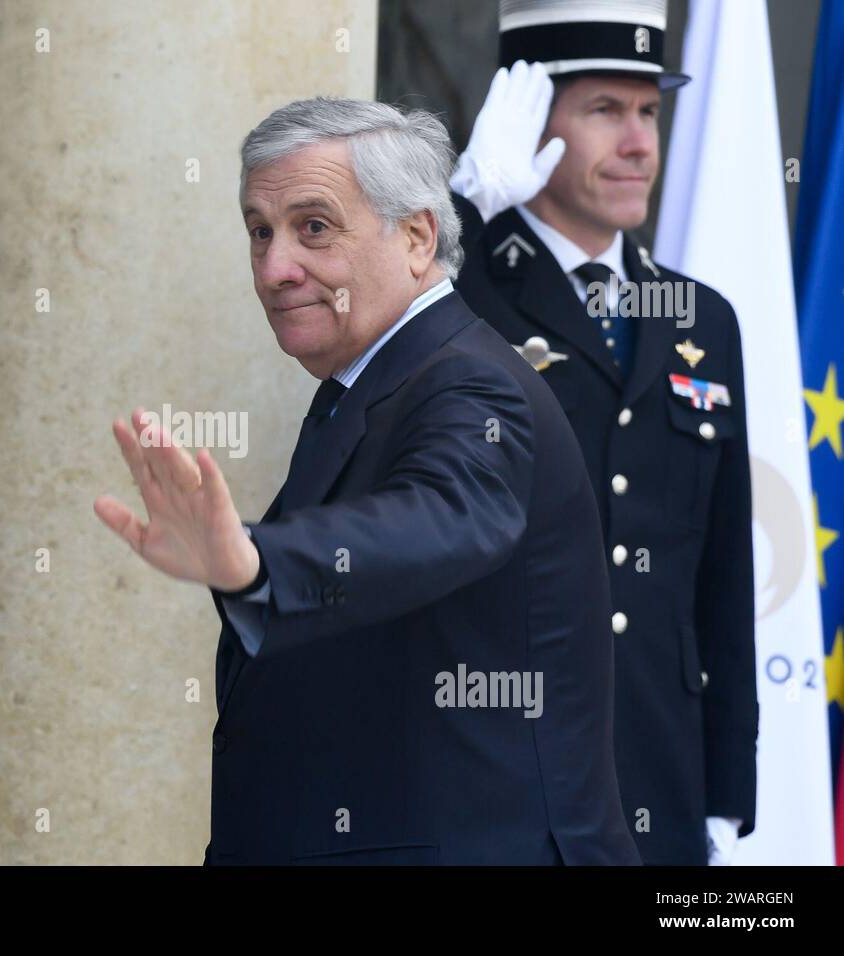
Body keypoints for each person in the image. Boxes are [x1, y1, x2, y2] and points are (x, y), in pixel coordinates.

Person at [94, 97, 640, 865]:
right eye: (260, 231)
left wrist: (258, 564)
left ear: (417, 237)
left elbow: (442, 518)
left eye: (313, 227)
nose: (276, 267)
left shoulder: (470, 386)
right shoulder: (376, 377)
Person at [449, 0, 758, 865]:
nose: (639, 144)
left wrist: (728, 782)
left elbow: (722, 566)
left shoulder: (703, 318)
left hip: (659, 776)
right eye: (605, 111)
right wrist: (461, 214)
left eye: (650, 111)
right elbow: (377, 347)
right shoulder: (460, 291)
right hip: (499, 780)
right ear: (529, 118)